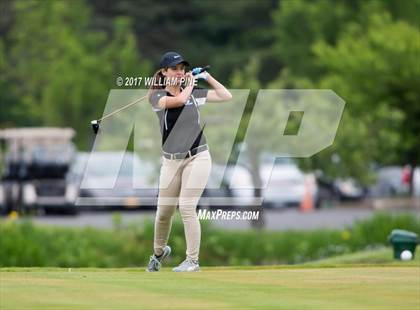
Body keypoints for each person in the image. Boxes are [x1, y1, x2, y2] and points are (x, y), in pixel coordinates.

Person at [146, 51, 232, 272]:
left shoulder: (193, 92)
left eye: (182, 68)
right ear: (164, 72)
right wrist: (190, 85)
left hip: (198, 156)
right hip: (171, 161)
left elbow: (226, 96)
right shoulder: (157, 97)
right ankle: (158, 253)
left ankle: (192, 261)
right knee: (164, 212)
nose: (180, 72)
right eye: (174, 68)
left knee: (186, 206)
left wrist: (205, 77)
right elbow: (180, 101)